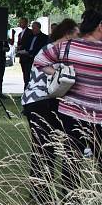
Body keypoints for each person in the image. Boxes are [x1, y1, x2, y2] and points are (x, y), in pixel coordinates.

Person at [34, 10, 102, 179]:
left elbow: (40, 61)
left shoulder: (68, 46)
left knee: (71, 161)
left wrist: (60, 76)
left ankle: (70, 203)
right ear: (100, 27)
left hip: (69, 112)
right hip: (98, 115)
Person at [21, 18, 79, 203]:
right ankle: (39, 192)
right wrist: (58, 74)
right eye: (75, 35)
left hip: (47, 103)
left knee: (48, 146)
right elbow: (40, 63)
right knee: (43, 147)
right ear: (67, 34)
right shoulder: (54, 49)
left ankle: (42, 191)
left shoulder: (61, 50)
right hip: (39, 102)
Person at [18, 21, 49, 86]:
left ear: (39, 28)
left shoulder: (44, 37)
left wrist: (30, 53)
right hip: (27, 60)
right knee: (26, 78)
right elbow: (26, 46)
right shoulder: (29, 36)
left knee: (35, 78)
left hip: (36, 59)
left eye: (34, 28)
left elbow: (40, 48)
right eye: (32, 28)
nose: (33, 30)